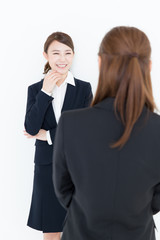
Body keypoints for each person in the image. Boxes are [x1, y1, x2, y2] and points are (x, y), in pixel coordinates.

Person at [53, 26, 160, 240]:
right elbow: (156, 201)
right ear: (148, 66)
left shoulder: (70, 123)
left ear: (100, 62)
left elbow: (63, 190)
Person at [24, 31, 93, 240]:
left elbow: (86, 131)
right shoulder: (36, 90)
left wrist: (50, 136)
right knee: (52, 233)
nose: (62, 59)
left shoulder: (83, 89)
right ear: (46, 55)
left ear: (73, 55)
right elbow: (31, 127)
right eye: (56, 53)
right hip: (47, 171)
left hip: (77, 170)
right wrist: (46, 92)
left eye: (67, 53)